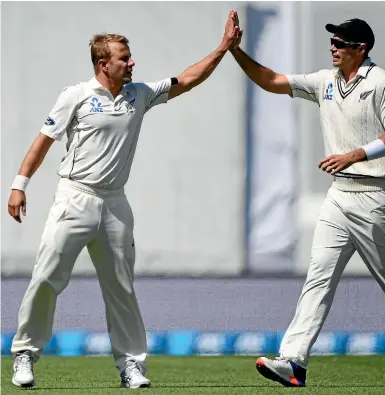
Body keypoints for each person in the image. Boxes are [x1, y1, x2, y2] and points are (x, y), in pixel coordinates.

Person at [7, 11, 241, 389]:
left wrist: (223, 48)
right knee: (47, 277)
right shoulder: (76, 96)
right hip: (75, 197)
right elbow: (43, 141)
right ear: (104, 64)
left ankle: (131, 365)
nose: (132, 63)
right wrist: (20, 185)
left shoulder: (139, 94)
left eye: (130, 57)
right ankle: (25, 354)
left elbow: (189, 78)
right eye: (124, 58)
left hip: (115, 204)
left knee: (121, 287)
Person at [229, 16, 385, 388]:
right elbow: (272, 80)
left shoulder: (381, 82)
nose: (333, 48)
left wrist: (354, 155)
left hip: (375, 197)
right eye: (333, 42)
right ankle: (293, 361)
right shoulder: (324, 81)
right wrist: (234, 51)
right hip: (339, 197)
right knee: (318, 277)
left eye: (340, 43)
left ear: (361, 49)